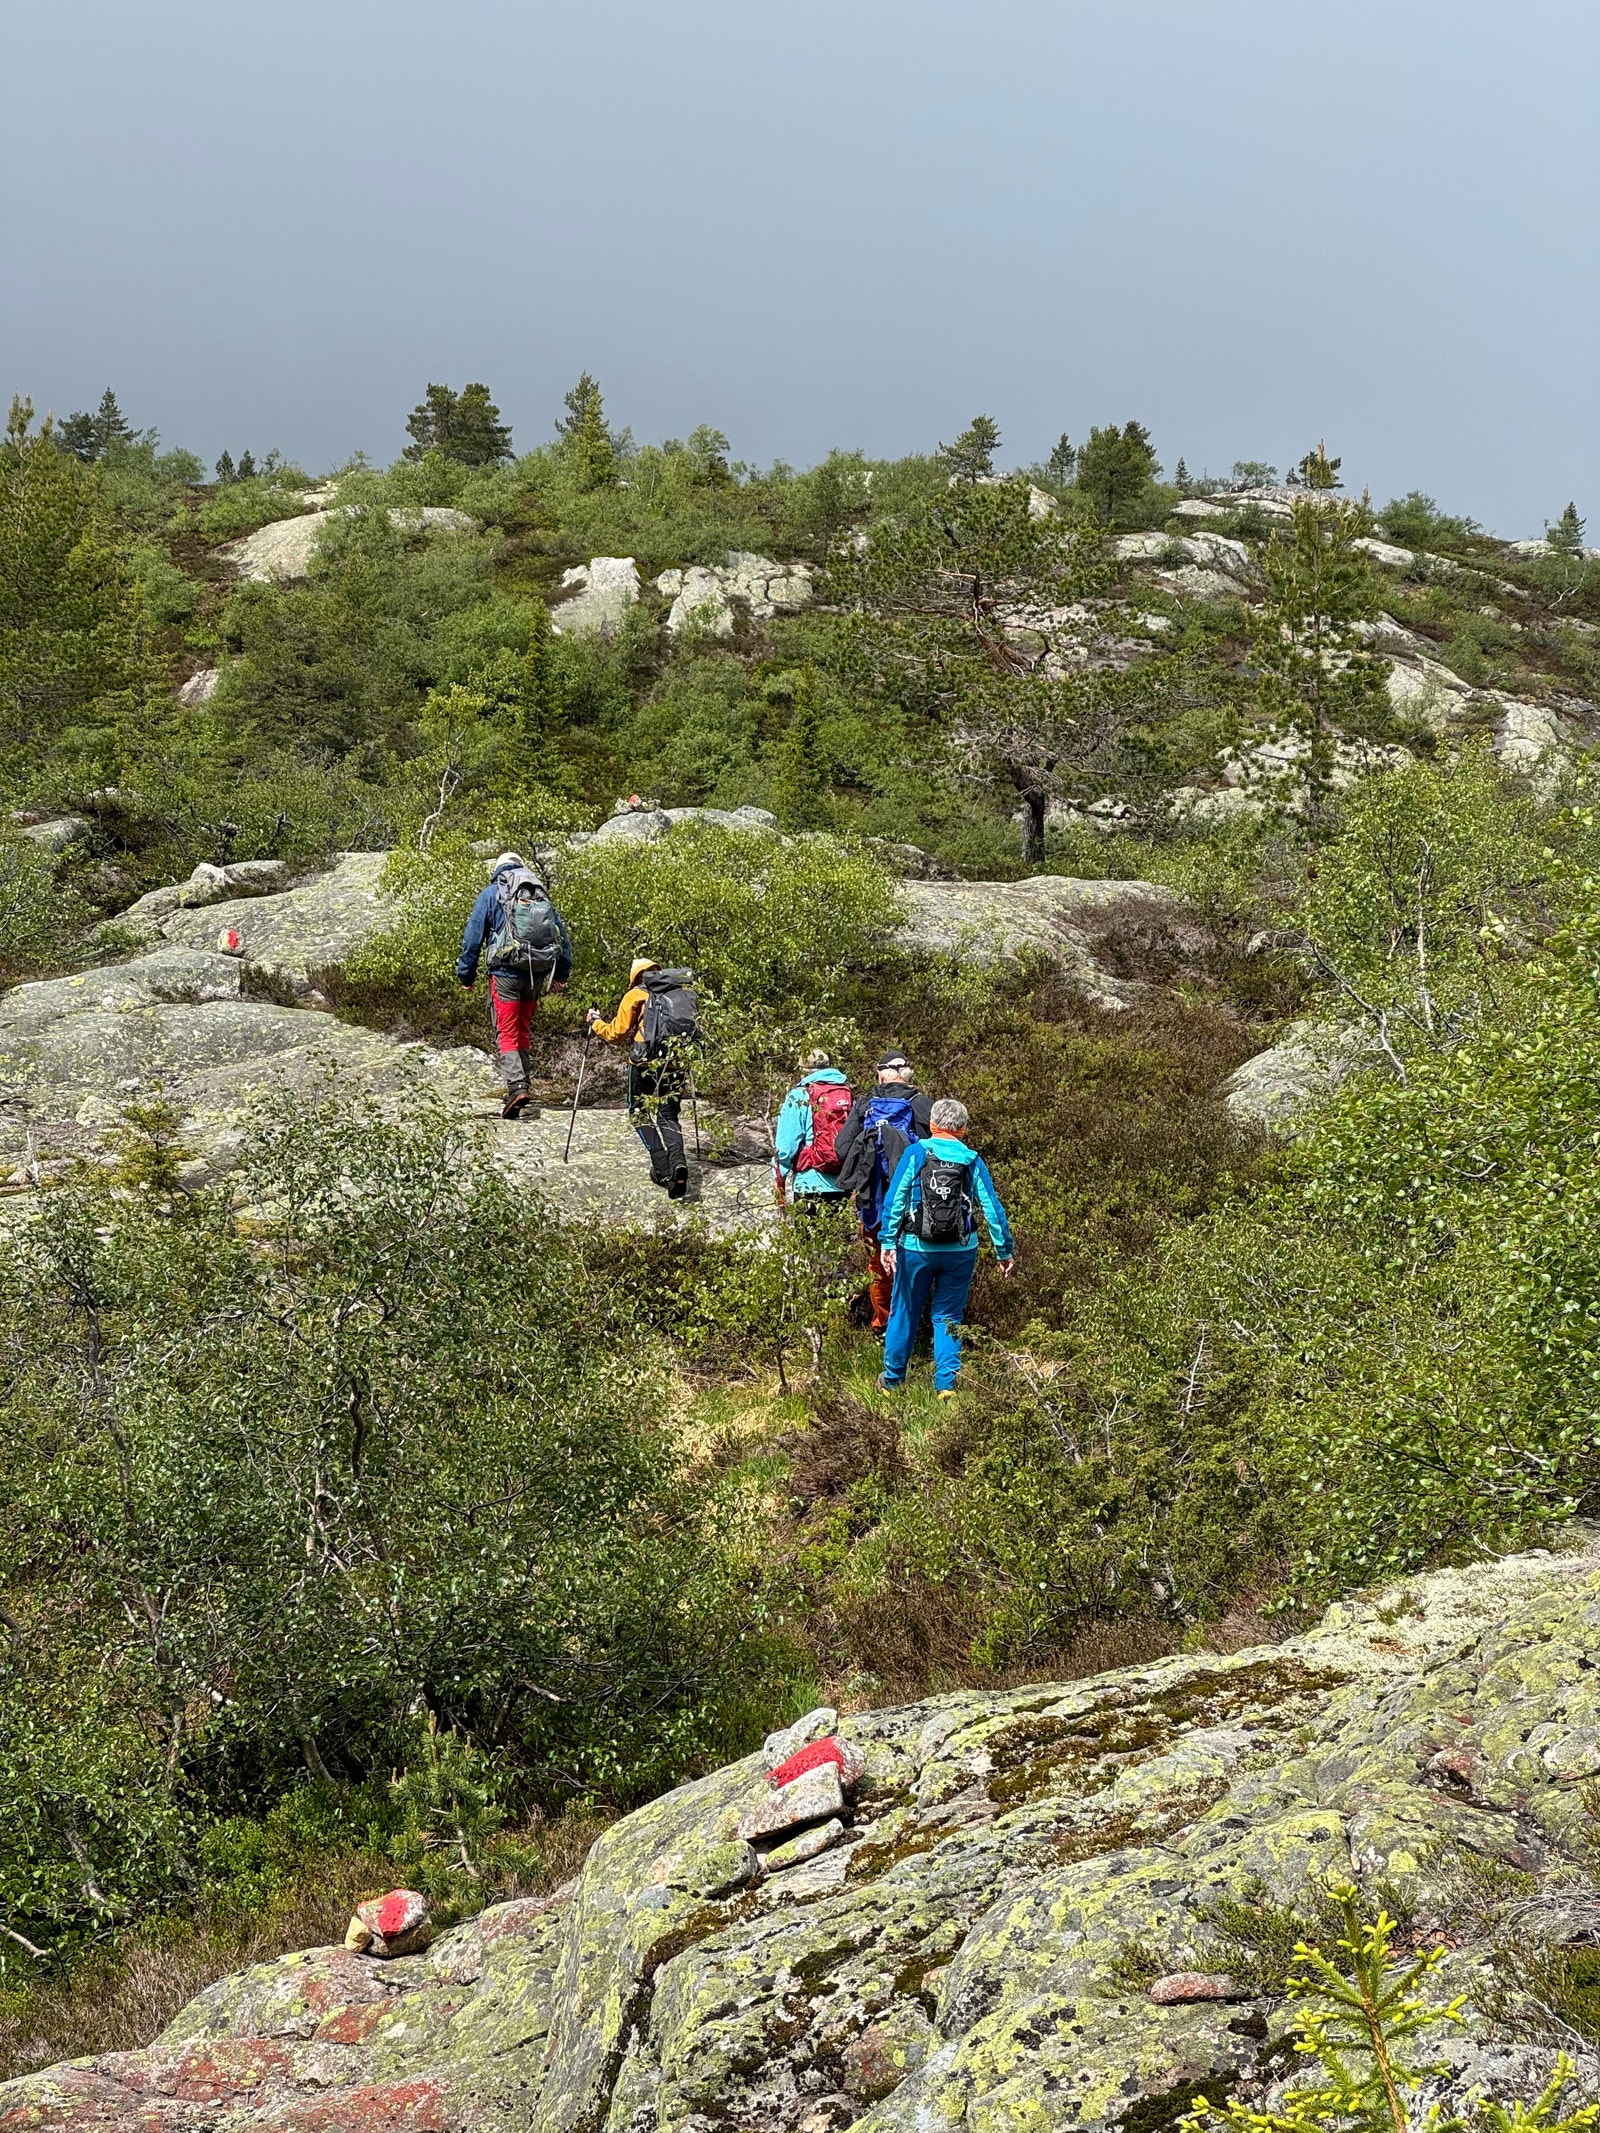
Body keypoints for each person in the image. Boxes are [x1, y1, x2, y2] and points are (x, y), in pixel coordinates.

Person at [877, 1096, 1013, 1398]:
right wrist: (1004, 1251)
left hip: (915, 1248)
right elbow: (991, 1209)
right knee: (948, 1316)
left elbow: (896, 1200)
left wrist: (887, 1242)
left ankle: (892, 1381)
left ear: (932, 1125)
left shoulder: (915, 1153)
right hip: (961, 1251)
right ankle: (946, 1386)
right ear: (962, 1128)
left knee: (904, 1311)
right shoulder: (972, 1160)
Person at [457, 852, 572, 1118]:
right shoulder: (538, 894)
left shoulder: (491, 894)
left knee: (506, 1031)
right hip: (536, 972)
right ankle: (525, 1087)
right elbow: (561, 937)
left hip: (505, 973)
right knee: (522, 1028)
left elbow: (473, 937)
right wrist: (561, 975)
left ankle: (517, 1088)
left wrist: (466, 975)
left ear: (498, 870)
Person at [832, 1051, 933, 1332]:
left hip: (872, 1202)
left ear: (879, 1075)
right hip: (914, 1202)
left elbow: (841, 1149)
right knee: (913, 1261)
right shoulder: (923, 1105)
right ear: (909, 1076)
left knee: (879, 1265)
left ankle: (884, 1326)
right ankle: (913, 1326)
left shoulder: (864, 1104)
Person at [586, 959, 698, 1198]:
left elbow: (616, 1032)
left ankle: (663, 1169)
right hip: (676, 1061)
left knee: (638, 1114)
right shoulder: (681, 992)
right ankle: (678, 1162)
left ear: (636, 976)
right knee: (668, 1114)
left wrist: (595, 1023)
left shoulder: (635, 995)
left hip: (644, 1061)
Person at [773, 1050, 854, 1208]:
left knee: (808, 1232)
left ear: (803, 1070)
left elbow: (786, 1148)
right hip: (843, 1183)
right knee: (838, 1232)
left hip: (809, 1183)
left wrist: (779, 1179)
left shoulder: (798, 1096)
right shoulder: (846, 1094)